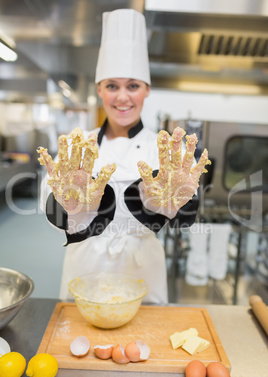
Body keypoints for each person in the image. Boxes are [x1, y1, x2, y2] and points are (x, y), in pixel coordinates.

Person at [38, 9, 209, 304]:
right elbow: (48, 201)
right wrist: (73, 208)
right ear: (99, 90)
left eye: (133, 86)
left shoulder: (166, 149)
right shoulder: (76, 146)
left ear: (146, 90)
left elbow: (187, 211)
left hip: (143, 268)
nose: (122, 97)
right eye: (112, 86)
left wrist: (160, 204)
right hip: (85, 265)